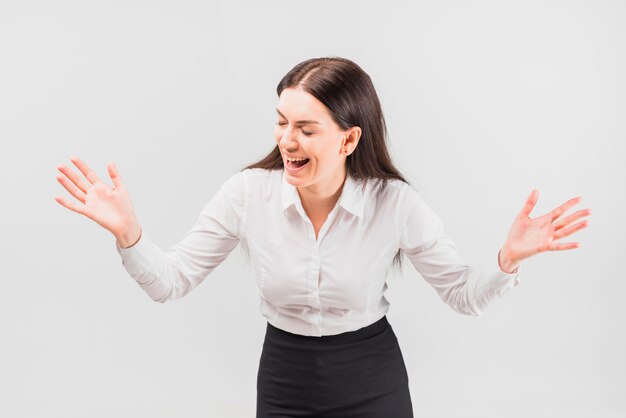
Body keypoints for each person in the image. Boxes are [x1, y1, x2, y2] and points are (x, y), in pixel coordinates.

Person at [54, 56, 591, 418]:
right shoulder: (248, 195)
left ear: (349, 138)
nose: (287, 140)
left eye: (306, 129)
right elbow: (170, 282)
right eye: (281, 122)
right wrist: (129, 232)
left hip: (371, 378)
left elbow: (465, 296)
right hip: (285, 376)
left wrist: (509, 258)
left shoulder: (395, 204)